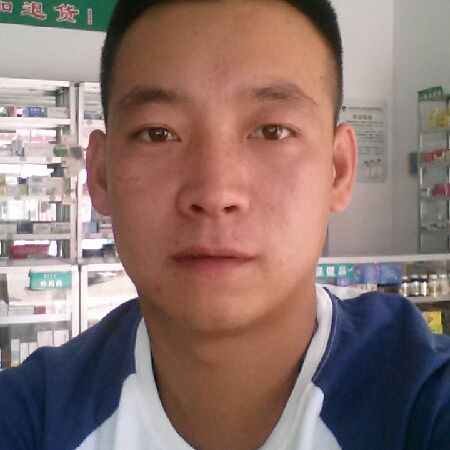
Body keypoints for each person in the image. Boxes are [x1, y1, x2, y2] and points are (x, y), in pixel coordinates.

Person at [1, 1, 449, 449]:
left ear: (338, 169)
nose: (215, 193)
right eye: (158, 133)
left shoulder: (423, 400)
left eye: (272, 131)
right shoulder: (33, 415)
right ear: (99, 175)